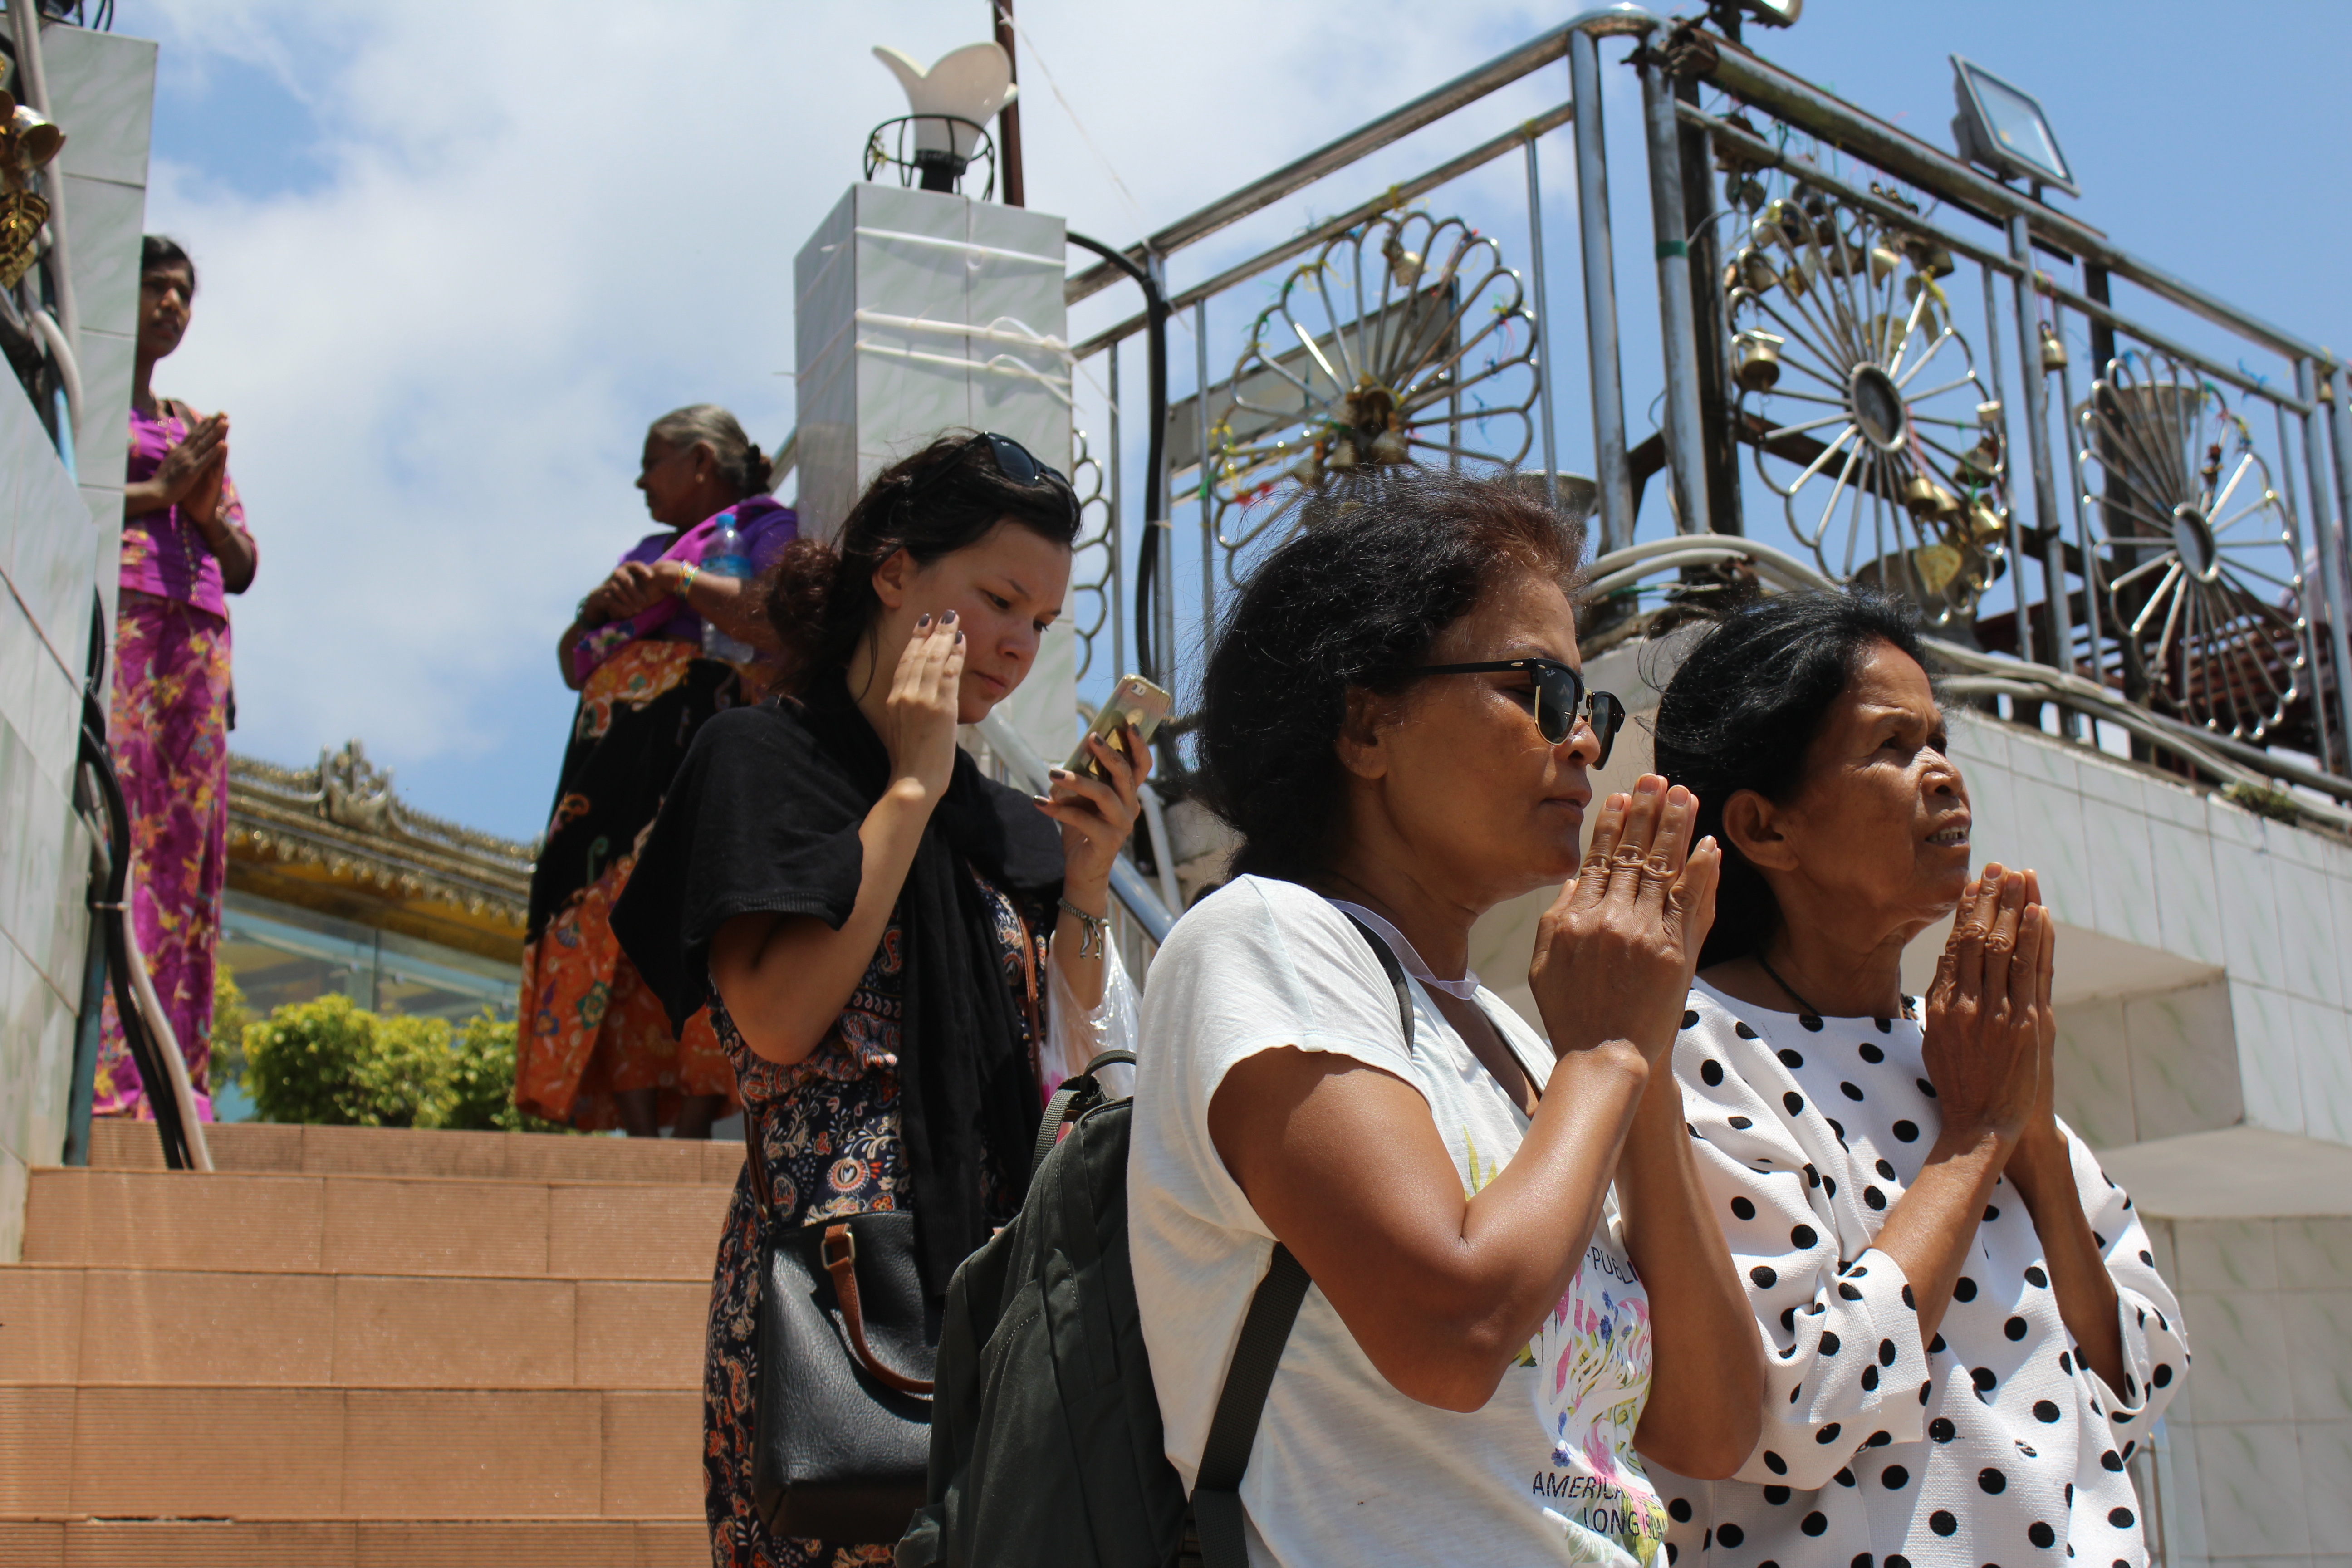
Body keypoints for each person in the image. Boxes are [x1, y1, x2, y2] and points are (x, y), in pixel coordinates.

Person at [1128, 470, 1767, 1566]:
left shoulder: (1521, 1043)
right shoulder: (1268, 938)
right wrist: (1609, 1054)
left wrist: (1639, 1056)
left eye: (1591, 708)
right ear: (1367, 724)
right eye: (1540, 693)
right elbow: (1452, 1333)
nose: (1584, 745)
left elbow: (1708, 1427)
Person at [610, 430, 1148, 1568]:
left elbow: (1080, 1057)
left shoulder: (1010, 828)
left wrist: (1089, 886)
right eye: (1000, 598)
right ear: (893, 571)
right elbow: (778, 1019)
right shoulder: (762, 759)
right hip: (843, 1299)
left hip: (1012, 1291)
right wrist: (910, 786)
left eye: (1041, 625)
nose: (1016, 646)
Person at [1647, 590, 2186, 1568]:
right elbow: (1794, 1413)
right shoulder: (1689, 1052)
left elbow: (2138, 1380)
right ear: (1766, 829)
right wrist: (1974, 1143)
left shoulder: (1964, 1048)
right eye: (1893, 748)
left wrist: (2027, 1139)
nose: (1944, 776)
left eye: (1939, 739)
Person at [516, 404, 794, 1138]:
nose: (641, 480)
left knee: (700, 924)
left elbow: (775, 622)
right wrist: (596, 607)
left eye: (654, 459)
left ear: (701, 461)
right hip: (609, 781)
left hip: (696, 755)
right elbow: (574, 662)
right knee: (610, 929)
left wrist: (678, 583)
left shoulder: (766, 531)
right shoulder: (644, 549)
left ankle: (696, 1121)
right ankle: (639, 1132)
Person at [94, 235, 256, 1121]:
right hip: (119, 622)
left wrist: (198, 502)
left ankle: (167, 1075)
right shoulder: (80, 400)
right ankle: (105, 1068)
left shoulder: (187, 419)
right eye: (156, 288)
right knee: (121, 831)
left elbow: (242, 557)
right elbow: (58, 492)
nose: (171, 305)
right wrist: (161, 496)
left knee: (184, 851)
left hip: (196, 643)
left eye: (183, 293)